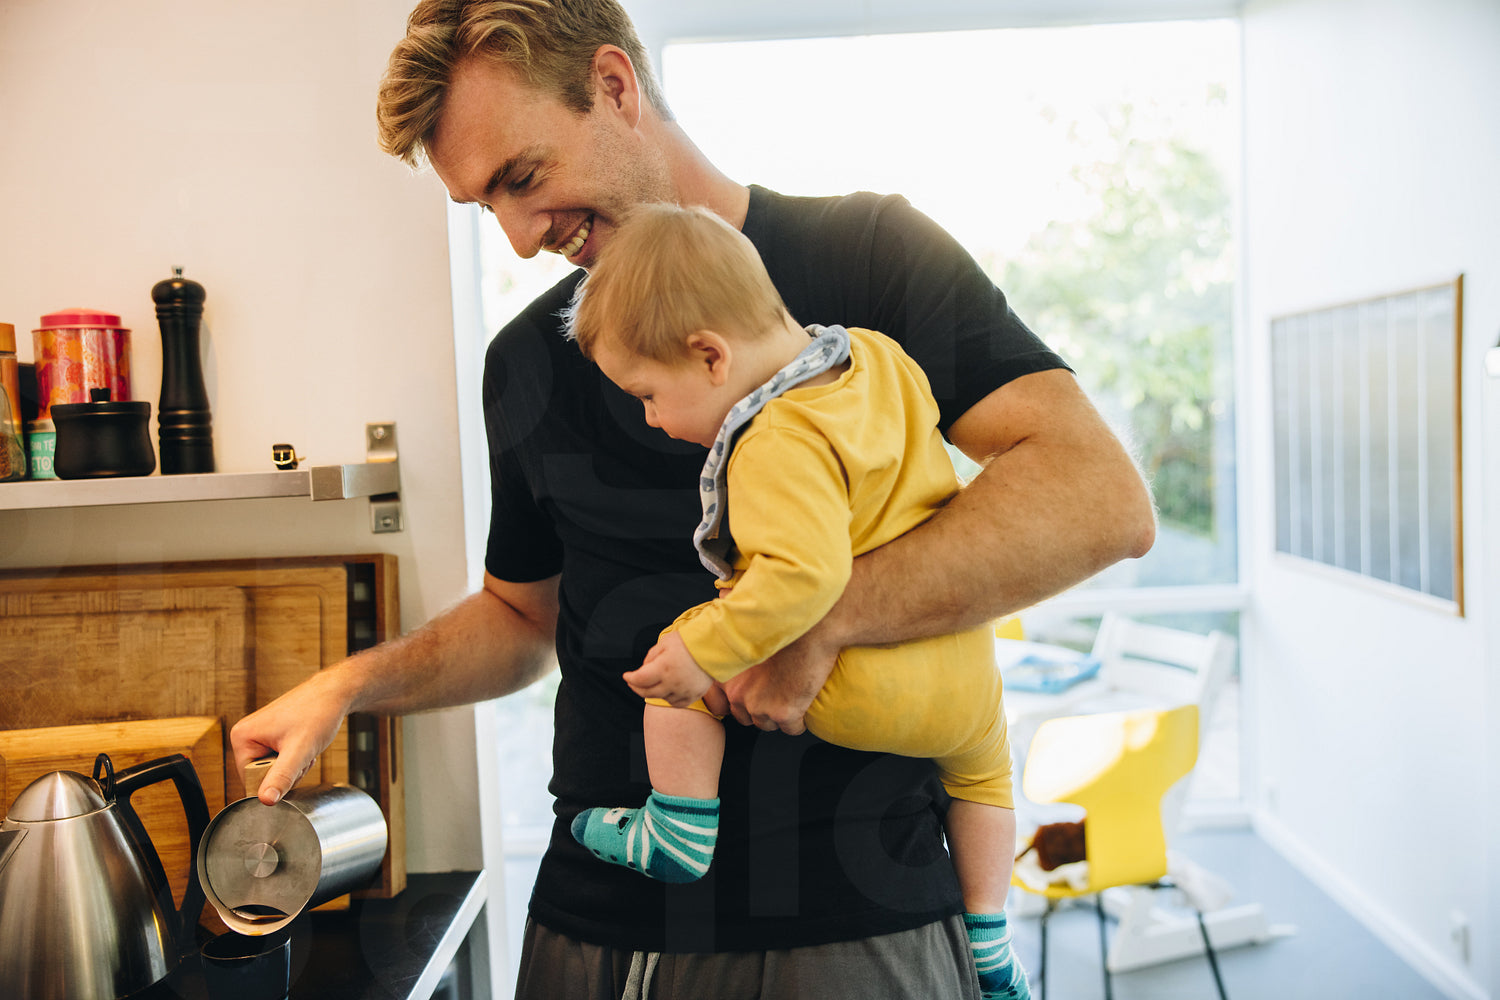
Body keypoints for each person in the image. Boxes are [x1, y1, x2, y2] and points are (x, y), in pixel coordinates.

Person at [230, 1, 1156, 997]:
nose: (521, 239)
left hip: (856, 928)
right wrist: (349, 686)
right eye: (485, 205)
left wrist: (814, 619)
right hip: (591, 926)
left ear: (614, 87)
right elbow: (523, 620)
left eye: (523, 178)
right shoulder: (529, 359)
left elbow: (1098, 498)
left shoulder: (872, 255)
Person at [564, 201, 1030, 999]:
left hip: (858, 684)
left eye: (647, 394)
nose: (652, 418)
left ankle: (677, 827)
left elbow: (804, 576)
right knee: (987, 781)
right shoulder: (879, 358)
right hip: (963, 680)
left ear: (710, 355)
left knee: (676, 660)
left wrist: (705, 653)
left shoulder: (774, 441)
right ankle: (987, 934)